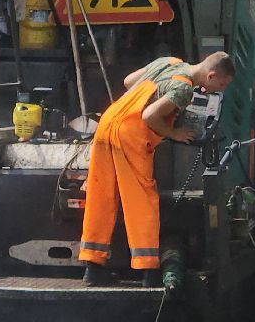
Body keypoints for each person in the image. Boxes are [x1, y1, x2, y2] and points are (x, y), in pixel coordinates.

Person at [79, 51, 236, 286]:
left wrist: (156, 95)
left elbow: (129, 82)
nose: (220, 90)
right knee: (141, 199)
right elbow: (150, 115)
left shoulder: (169, 62)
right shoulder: (183, 90)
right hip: (130, 134)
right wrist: (174, 132)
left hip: (107, 123)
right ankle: (148, 271)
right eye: (221, 84)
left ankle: (92, 266)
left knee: (101, 196)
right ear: (211, 76)